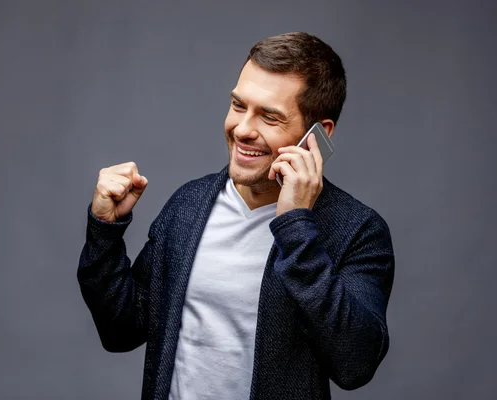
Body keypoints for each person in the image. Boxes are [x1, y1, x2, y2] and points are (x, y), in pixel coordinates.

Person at [77, 31, 395, 400]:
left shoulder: (358, 230)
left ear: (317, 136)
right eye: (239, 105)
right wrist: (105, 231)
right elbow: (122, 331)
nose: (243, 129)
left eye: (270, 117)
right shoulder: (188, 206)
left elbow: (355, 366)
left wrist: (296, 225)